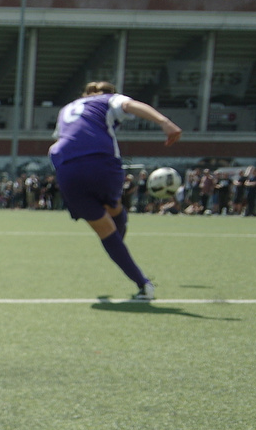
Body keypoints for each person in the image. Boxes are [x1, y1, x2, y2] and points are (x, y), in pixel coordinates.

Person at [49, 81, 180, 301]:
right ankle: (131, 268)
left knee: (104, 229)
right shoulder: (107, 99)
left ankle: (140, 280)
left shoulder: (67, 108)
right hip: (101, 161)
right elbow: (131, 105)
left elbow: (59, 142)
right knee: (113, 210)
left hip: (67, 168)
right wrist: (164, 122)